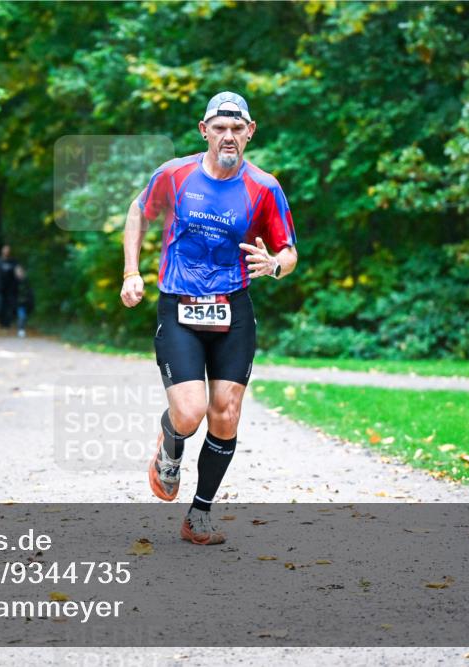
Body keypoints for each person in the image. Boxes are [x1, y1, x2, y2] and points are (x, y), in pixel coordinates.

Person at [120, 91, 298, 545]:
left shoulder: (264, 187)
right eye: (219, 128)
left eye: (237, 129)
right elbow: (137, 212)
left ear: (250, 132)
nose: (228, 136)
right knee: (190, 411)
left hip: (232, 308)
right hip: (179, 303)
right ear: (204, 131)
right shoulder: (174, 174)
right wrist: (131, 272)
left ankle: (198, 514)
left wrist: (275, 265)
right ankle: (170, 444)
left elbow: (289, 250)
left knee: (226, 414)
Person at [0, 244, 19, 328]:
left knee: (10, 306)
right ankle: (1, 322)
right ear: (2, 251)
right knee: (0, 307)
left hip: (11, 289)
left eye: (8, 250)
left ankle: (8, 323)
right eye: (5, 250)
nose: (7, 252)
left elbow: (19, 274)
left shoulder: (14, 262)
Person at [14, 265, 34, 338]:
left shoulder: (26, 281)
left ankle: (21, 329)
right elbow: (13, 293)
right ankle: (21, 330)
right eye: (17, 272)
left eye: (20, 272)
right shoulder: (14, 282)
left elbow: (30, 291)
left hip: (26, 302)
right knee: (21, 316)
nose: (19, 273)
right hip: (19, 303)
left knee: (24, 316)